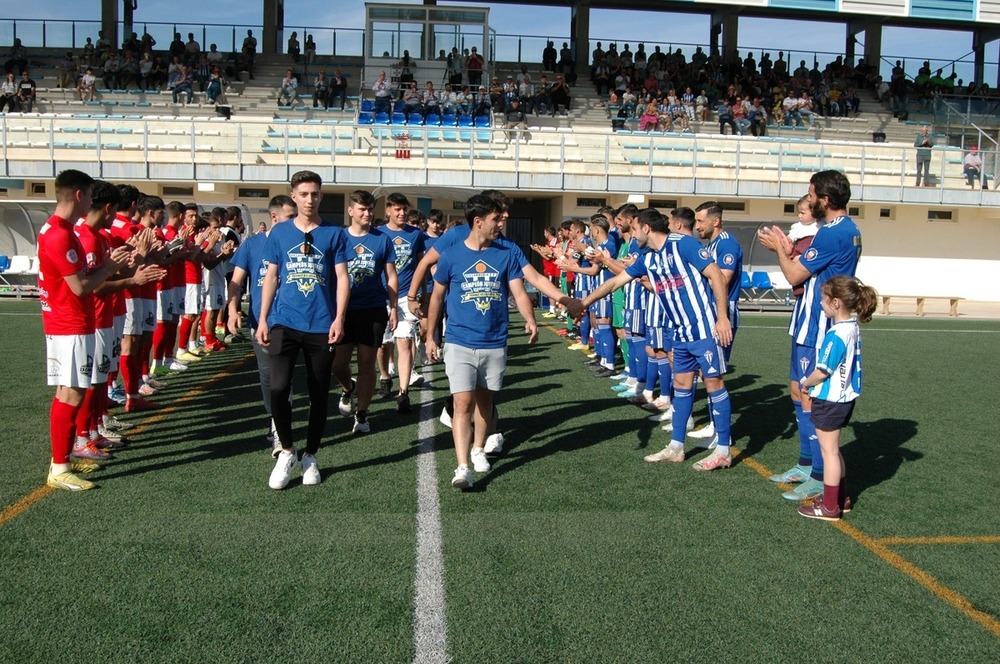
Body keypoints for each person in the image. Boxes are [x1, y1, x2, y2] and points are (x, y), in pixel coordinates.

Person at [577, 207, 734, 471]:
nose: (632, 233)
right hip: (679, 331)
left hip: (704, 328)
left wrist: (722, 317)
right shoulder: (647, 258)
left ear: (646, 228)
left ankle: (723, 450)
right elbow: (616, 282)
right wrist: (583, 302)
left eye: (635, 228)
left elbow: (716, 275)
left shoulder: (684, 244)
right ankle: (676, 447)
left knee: (714, 384)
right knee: (682, 385)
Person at [758, 170, 862, 502]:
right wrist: (792, 250)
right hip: (807, 320)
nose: (809, 198)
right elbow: (811, 268)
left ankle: (819, 475)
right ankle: (806, 464)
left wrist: (779, 250)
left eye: (812, 193)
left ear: (825, 200)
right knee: (796, 390)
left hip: (820, 325)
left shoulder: (834, 234)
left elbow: (793, 275)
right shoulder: (838, 230)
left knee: (809, 395)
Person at [425, 194, 539, 489]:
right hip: (459, 340)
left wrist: (530, 318)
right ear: (479, 222)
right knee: (462, 403)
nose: (501, 224)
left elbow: (519, 290)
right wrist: (430, 335)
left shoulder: (505, 253)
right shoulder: (451, 255)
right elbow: (437, 297)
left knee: (485, 401)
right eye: (496, 219)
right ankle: (462, 466)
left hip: (494, 341)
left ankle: (478, 447)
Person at [38, 170, 132, 491]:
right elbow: (79, 287)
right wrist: (110, 267)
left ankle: (63, 460)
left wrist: (108, 266)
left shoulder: (60, 229)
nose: (93, 202)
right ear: (79, 195)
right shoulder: (60, 234)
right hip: (70, 323)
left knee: (69, 391)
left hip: (69, 322)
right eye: (91, 195)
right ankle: (60, 465)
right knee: (72, 392)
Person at [257, 170, 351, 490]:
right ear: (293, 197)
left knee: (317, 392)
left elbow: (342, 278)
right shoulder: (280, 233)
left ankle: (310, 454)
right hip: (284, 320)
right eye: (304, 194)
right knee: (279, 388)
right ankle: (287, 450)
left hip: (321, 324)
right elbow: (271, 277)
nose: (310, 199)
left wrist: (339, 318)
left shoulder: (335, 234)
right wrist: (262, 318)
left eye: (315, 194)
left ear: (321, 196)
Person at [796, 276, 878, 521]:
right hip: (843, 398)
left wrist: (805, 383)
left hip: (831, 399)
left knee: (828, 452)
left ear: (836, 303)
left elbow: (823, 370)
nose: (820, 303)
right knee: (834, 450)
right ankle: (840, 498)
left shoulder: (837, 334)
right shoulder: (852, 327)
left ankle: (830, 506)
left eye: (823, 299)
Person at [228, 195, 296, 455]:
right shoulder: (252, 245)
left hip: (290, 320)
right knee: (268, 376)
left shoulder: (298, 241)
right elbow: (236, 282)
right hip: (261, 322)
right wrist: (233, 310)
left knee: (283, 376)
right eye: (290, 216)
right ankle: (275, 418)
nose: (295, 221)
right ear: (275, 217)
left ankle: (280, 429)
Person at [333, 190, 398, 435]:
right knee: (338, 364)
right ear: (351, 211)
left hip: (373, 309)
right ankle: (348, 387)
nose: (367, 214)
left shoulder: (382, 239)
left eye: (370, 209)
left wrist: (393, 307)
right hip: (344, 310)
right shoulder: (339, 237)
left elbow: (391, 276)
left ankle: (362, 414)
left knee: (367, 362)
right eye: (362, 209)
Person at [376, 193, 425, 413]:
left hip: (406, 296)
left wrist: (421, 293)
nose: (402, 213)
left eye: (404, 209)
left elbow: (421, 266)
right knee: (382, 343)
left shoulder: (416, 234)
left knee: (404, 342)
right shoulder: (378, 234)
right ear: (387, 211)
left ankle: (403, 392)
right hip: (381, 297)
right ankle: (385, 375)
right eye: (397, 209)